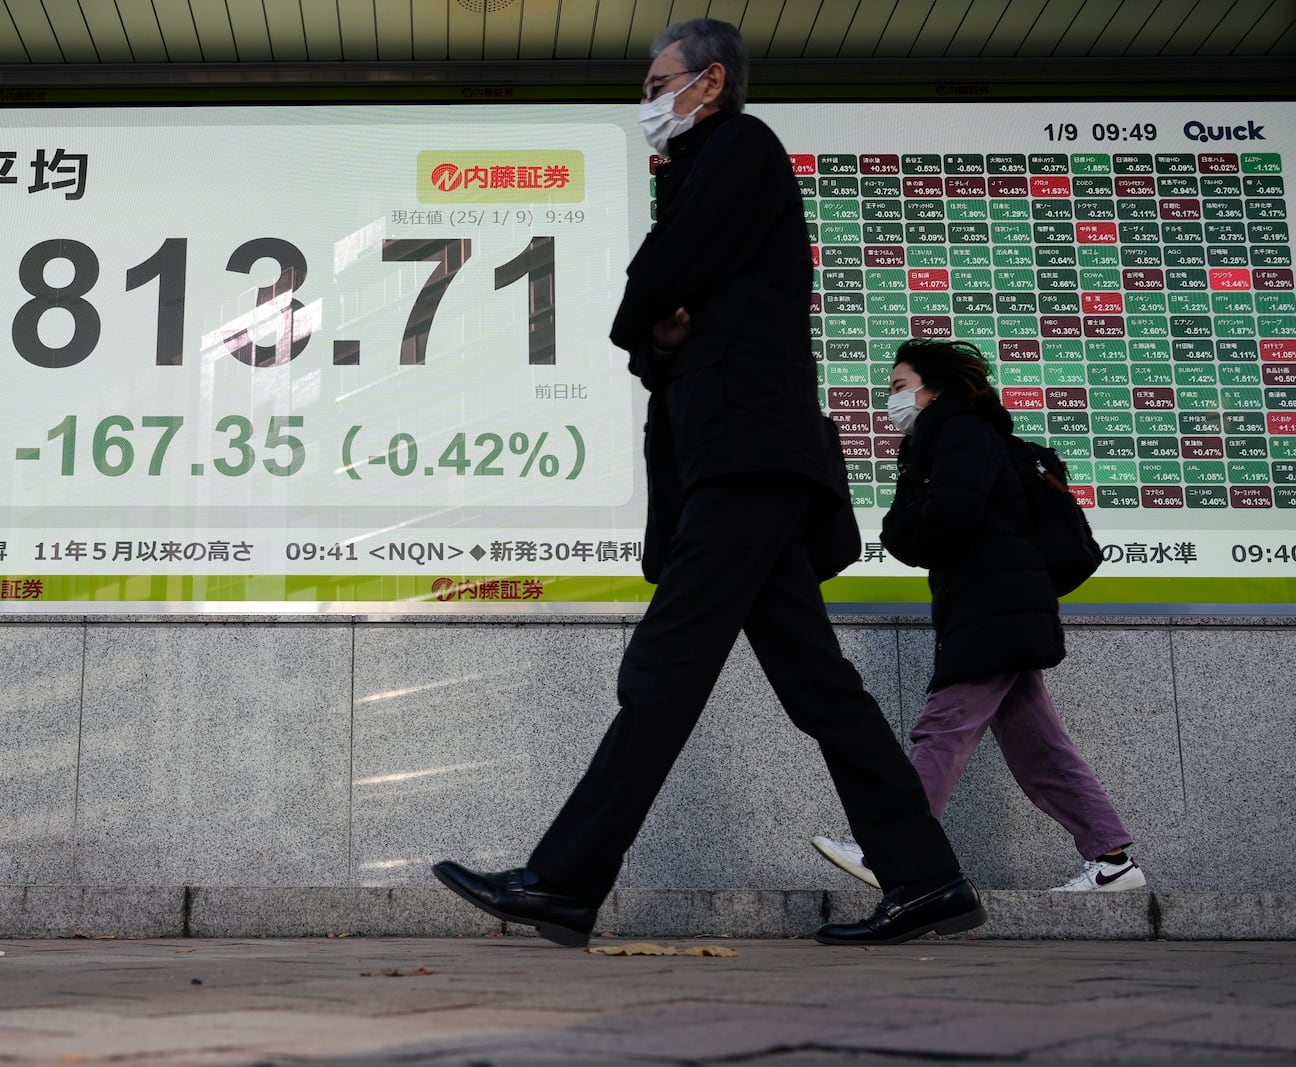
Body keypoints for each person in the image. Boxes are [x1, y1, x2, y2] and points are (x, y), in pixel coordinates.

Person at [432, 18, 986, 949]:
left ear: (711, 81)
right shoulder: (700, 171)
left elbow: (660, 274)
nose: (647, 102)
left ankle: (564, 882)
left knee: (667, 663)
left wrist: (650, 319)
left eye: (658, 82)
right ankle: (927, 880)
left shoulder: (741, 148)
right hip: (735, 465)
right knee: (821, 689)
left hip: (749, 458)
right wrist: (660, 334)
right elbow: (662, 328)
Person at [811, 338, 1145, 894]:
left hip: (990, 608)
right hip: (1000, 607)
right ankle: (1111, 863)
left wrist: (912, 515)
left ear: (933, 387)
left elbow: (943, 522)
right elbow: (919, 530)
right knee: (1041, 750)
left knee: (943, 727)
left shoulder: (959, 432)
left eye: (899, 386)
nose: (890, 401)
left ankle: (891, 850)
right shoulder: (949, 440)